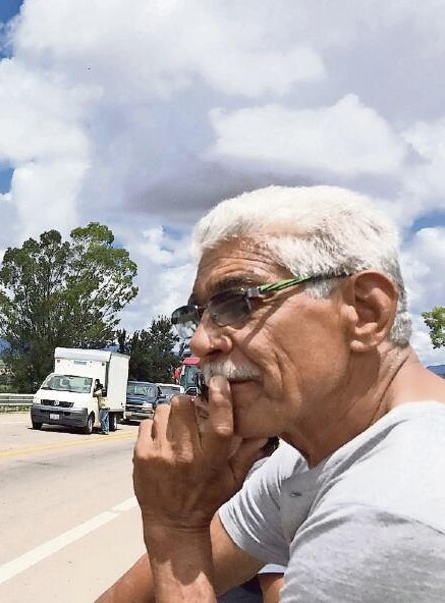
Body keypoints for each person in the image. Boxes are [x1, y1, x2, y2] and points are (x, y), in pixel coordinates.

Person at [96, 185, 445, 602]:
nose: (201, 343)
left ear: (365, 312)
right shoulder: (310, 459)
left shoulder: (390, 512)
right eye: (197, 316)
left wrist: (175, 530)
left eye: (240, 303)